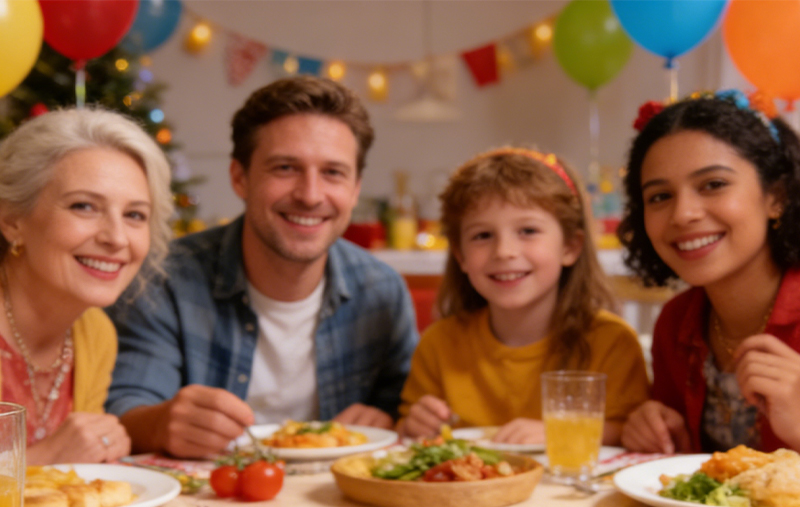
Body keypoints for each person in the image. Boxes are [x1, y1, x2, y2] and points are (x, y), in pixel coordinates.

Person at [106, 76, 418, 458]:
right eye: (285, 167)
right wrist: (162, 423)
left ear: (355, 189)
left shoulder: (381, 291)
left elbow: (407, 410)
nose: (310, 195)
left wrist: (389, 418)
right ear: (240, 177)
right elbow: (124, 408)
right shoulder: (164, 279)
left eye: (333, 172)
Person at [397, 147, 649, 444]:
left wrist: (560, 433)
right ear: (460, 255)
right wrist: (415, 424)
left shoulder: (612, 342)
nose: (504, 251)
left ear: (570, 246)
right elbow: (406, 428)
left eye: (528, 230)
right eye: (482, 236)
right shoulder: (439, 344)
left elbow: (630, 431)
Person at [619, 90, 800, 454]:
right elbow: (684, 479)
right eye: (659, 196)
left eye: (713, 185)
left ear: (776, 196)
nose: (683, 213)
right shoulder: (675, 322)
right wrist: (658, 431)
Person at [0, 107, 173, 465]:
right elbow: (55, 464)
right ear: (12, 220)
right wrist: (42, 458)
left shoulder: (94, 335)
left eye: (134, 215)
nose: (116, 238)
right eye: (84, 206)